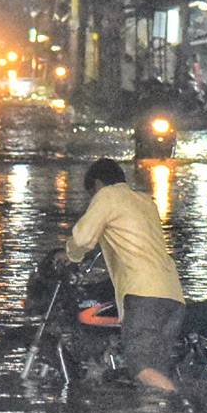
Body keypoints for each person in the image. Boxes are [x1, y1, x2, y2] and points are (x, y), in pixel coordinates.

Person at [63, 158, 185, 392]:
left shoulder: (107, 196)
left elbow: (82, 238)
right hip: (172, 293)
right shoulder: (144, 201)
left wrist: (71, 255)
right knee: (156, 370)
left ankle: (179, 407)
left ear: (97, 184)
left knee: (140, 366)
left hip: (144, 294)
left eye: (92, 194)